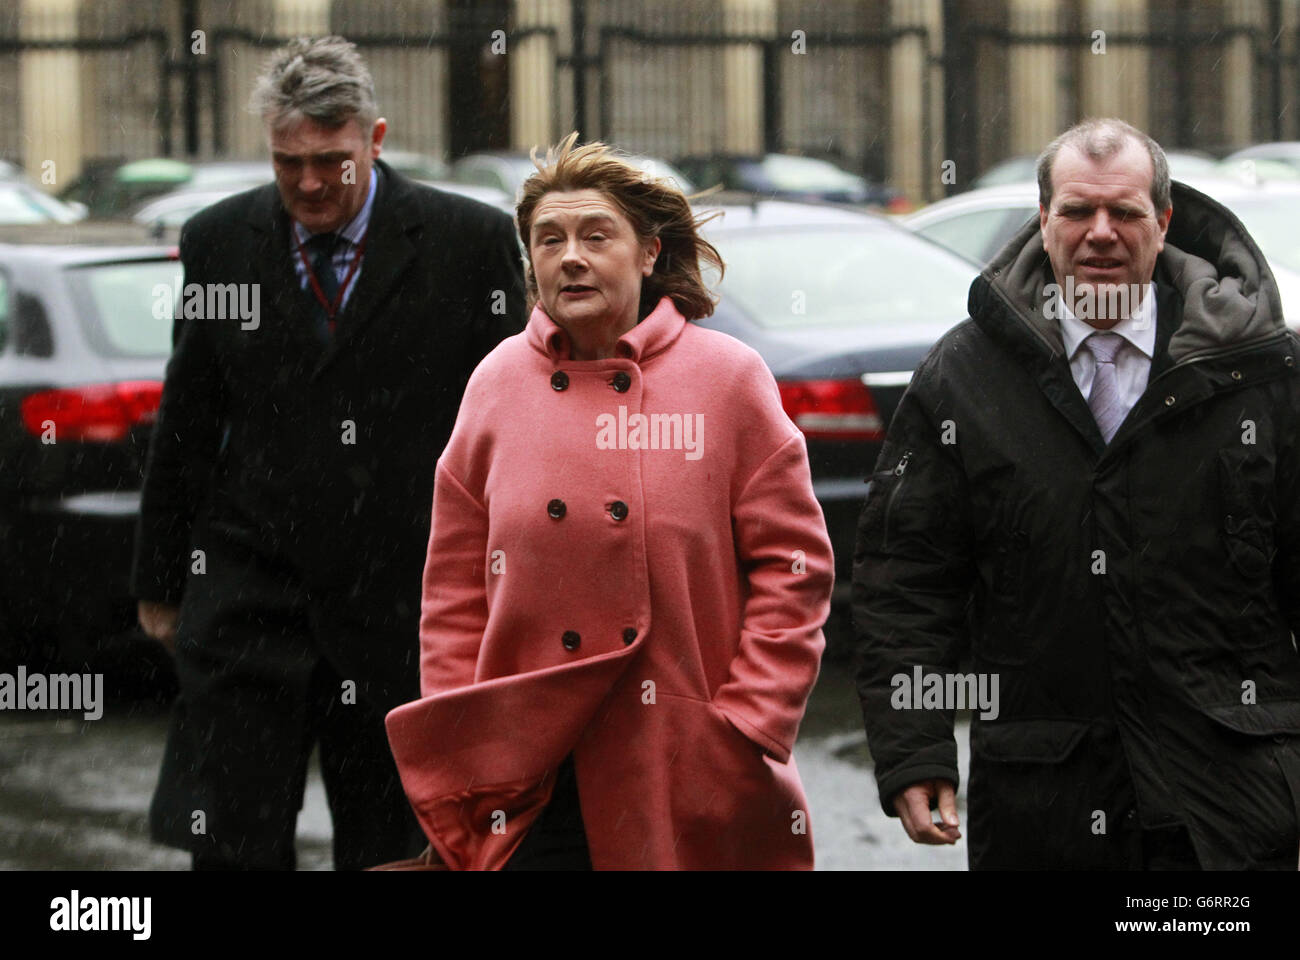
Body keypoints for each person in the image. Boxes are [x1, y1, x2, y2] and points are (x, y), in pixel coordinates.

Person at [853, 117, 1300, 870]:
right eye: (1077, 212)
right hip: (1045, 807)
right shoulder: (964, 377)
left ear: (1161, 222)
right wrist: (914, 747)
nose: (1100, 233)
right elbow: (907, 581)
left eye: (1124, 213)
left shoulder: (1256, 371)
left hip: (1228, 804)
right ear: (1043, 220)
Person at [384, 133, 834, 870]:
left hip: (677, 758)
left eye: (597, 235)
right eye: (548, 239)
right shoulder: (497, 381)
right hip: (525, 768)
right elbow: (455, 584)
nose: (570, 257)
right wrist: (462, 733)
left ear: (650, 252)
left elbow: (794, 567)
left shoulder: (727, 379)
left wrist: (747, 721)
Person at [132, 36, 525, 870]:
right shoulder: (220, 242)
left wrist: (506, 587)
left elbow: (512, 433)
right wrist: (162, 587)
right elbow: (189, 419)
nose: (309, 183)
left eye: (331, 161)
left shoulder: (470, 243)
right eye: (287, 162)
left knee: (390, 848)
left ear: (374, 140)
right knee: (233, 845)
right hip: (250, 602)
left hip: (401, 608)